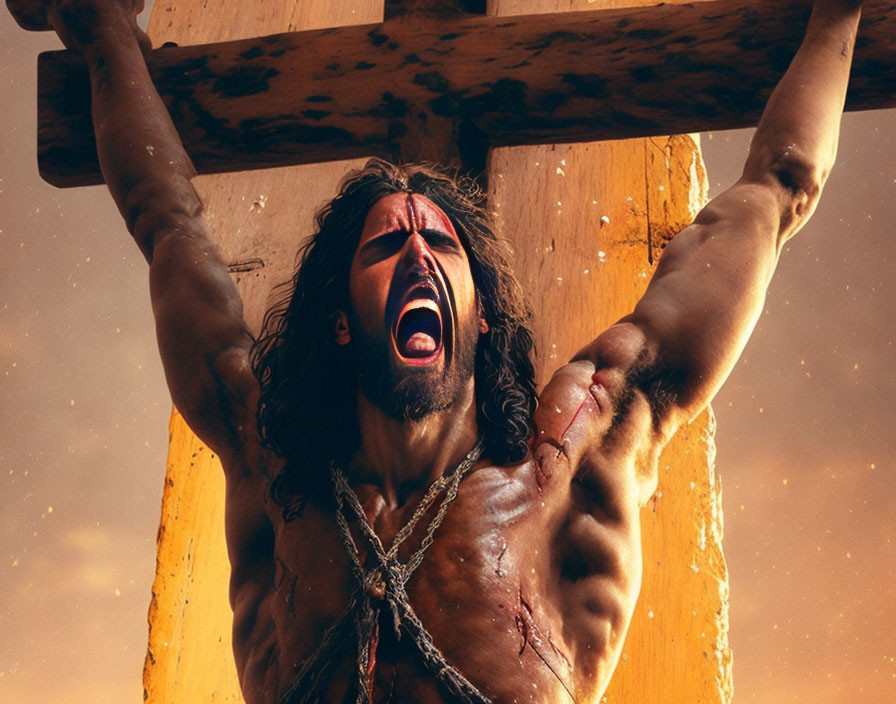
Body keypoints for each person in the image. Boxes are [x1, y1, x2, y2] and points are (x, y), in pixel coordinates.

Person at [21, 0, 863, 701]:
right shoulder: (278, 464)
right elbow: (168, 225)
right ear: (342, 320)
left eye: (442, 245)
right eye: (386, 247)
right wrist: (99, 34)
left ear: (482, 316)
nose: (420, 254)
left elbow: (773, 193)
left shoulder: (569, 456)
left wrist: (840, 13)